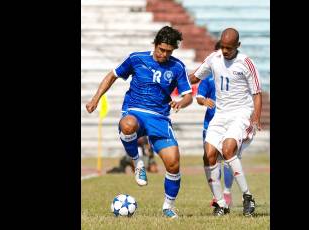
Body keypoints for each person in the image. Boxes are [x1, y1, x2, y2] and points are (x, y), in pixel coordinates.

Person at [86, 26, 193, 219]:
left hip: (160, 118)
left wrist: (180, 102)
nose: (165, 54)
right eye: (162, 49)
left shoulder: (177, 67)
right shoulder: (136, 59)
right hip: (135, 111)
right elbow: (112, 75)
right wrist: (96, 98)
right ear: (155, 44)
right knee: (126, 125)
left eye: (169, 51)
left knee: (173, 163)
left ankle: (168, 206)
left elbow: (188, 96)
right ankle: (138, 164)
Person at [189, 28, 262, 216]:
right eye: (222, 46)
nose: (225, 51)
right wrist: (174, 79)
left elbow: (257, 93)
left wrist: (256, 118)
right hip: (220, 115)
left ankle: (247, 197)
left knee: (229, 149)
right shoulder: (214, 58)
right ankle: (221, 204)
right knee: (208, 155)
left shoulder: (246, 63)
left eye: (229, 48)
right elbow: (195, 77)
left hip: (241, 114)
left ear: (238, 46)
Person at [196, 41, 235, 208]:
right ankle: (216, 195)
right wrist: (204, 100)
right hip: (210, 124)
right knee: (209, 158)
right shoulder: (209, 76)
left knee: (228, 158)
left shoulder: (236, 73)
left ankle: (226, 193)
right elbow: (198, 96)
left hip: (230, 123)